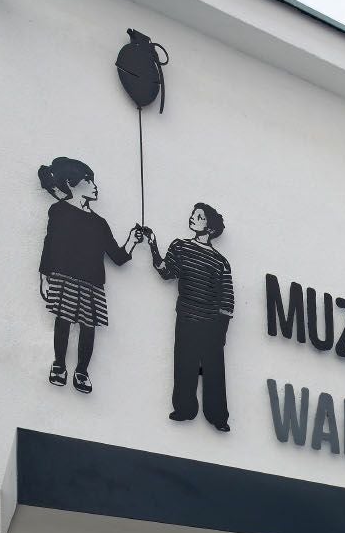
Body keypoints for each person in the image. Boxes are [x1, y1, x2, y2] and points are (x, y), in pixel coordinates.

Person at [36, 157, 139, 394]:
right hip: (65, 277)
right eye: (88, 180)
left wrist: (132, 241)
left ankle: (82, 370)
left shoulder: (100, 223)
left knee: (88, 327)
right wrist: (44, 276)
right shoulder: (59, 211)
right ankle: (59, 365)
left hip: (92, 282)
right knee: (63, 321)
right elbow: (49, 244)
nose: (94, 185)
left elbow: (117, 256)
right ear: (72, 184)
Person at [141, 204, 235, 430]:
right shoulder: (180, 247)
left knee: (213, 370)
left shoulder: (220, 261)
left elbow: (227, 299)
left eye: (200, 217)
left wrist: (221, 330)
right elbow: (167, 272)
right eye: (194, 215)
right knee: (184, 364)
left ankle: (218, 417)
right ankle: (184, 409)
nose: (193, 219)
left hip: (211, 323)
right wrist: (153, 244)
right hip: (186, 317)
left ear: (210, 227)